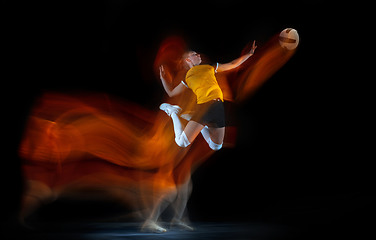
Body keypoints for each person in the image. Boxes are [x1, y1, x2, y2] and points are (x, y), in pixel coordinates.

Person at [159, 40, 257, 150]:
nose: (198, 55)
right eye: (194, 54)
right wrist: (164, 80)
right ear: (188, 60)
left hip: (218, 106)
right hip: (204, 107)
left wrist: (249, 55)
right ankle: (173, 112)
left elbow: (232, 64)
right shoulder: (187, 78)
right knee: (182, 142)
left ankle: (202, 126)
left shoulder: (210, 67)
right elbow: (171, 92)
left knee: (216, 146)